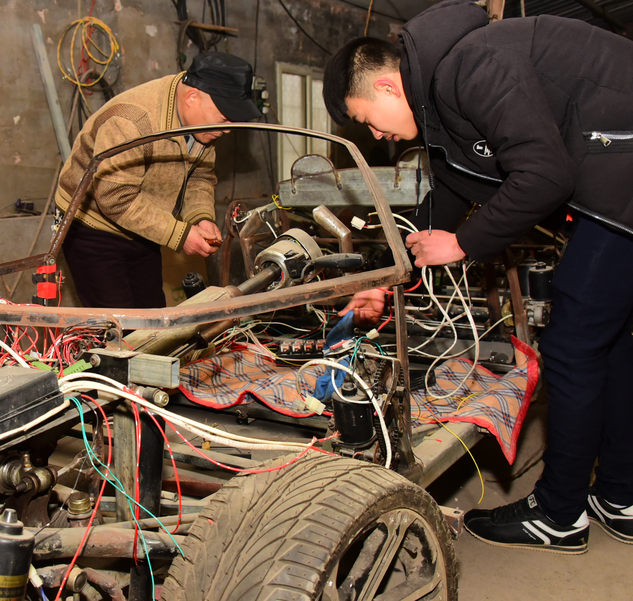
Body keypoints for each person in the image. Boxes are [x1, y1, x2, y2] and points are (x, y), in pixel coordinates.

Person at [324, 0, 633, 553]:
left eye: (368, 119)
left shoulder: (471, 66)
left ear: (389, 86)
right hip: (615, 179)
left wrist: (463, 243)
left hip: (621, 178)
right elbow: (447, 196)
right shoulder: (441, 102)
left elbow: (545, 174)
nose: (378, 134)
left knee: (572, 346)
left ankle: (559, 514)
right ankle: (620, 494)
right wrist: (386, 281)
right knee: (611, 344)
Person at [55, 52, 261, 308]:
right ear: (192, 97)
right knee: (117, 323)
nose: (227, 129)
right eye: (224, 118)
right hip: (93, 224)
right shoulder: (132, 122)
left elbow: (200, 174)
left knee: (153, 317)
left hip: (143, 221)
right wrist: (180, 234)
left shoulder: (203, 123)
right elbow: (114, 198)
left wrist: (201, 217)